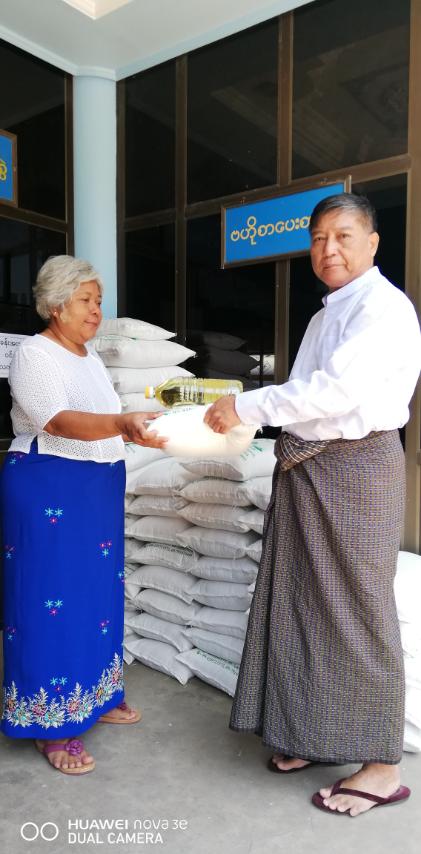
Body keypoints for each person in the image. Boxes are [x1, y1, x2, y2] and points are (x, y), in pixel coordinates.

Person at [204, 193, 421, 817]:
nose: (329, 249)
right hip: (310, 466)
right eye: (319, 238)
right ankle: (311, 734)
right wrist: (258, 411)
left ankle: (380, 765)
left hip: (357, 470)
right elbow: (305, 393)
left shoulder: (383, 309)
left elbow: (334, 393)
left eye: (343, 236)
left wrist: (245, 405)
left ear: (372, 243)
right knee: (302, 602)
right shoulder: (328, 314)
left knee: (357, 611)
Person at [0, 255, 167, 775]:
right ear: (56, 305)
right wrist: (121, 423)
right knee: (49, 603)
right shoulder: (35, 354)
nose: (97, 310)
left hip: (94, 489)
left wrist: (133, 429)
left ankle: (98, 694)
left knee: (96, 597)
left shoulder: (90, 358)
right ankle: (51, 724)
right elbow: (57, 421)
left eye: (99, 301)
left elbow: (102, 421)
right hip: (50, 485)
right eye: (86, 301)